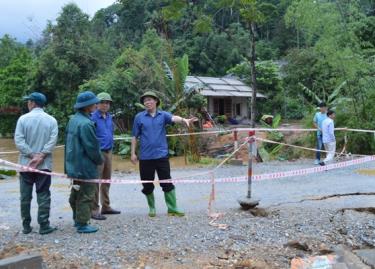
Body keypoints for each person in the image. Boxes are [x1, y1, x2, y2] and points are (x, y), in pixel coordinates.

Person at [131, 91, 197, 217]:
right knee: (147, 184)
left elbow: (173, 118)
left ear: (156, 101)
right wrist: (133, 153)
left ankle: (172, 208)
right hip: (145, 157)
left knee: (166, 182)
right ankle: (152, 208)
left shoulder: (163, 115)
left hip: (161, 155)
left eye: (150, 100)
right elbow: (134, 136)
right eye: (145, 100)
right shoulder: (139, 117)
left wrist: (184, 120)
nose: (147, 102)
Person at [14, 92, 58, 235]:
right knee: (44, 194)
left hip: (26, 164)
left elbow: (19, 141)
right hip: (44, 165)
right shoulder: (52, 120)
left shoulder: (22, 119)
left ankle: (26, 226)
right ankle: (44, 226)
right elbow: (53, 141)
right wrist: (41, 155)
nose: (27, 104)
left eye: (28, 101)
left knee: (25, 196)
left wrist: (32, 155)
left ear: (32, 103)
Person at [65, 91, 103, 233]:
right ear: (88, 106)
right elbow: (92, 148)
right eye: (94, 103)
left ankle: (76, 219)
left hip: (73, 165)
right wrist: (99, 160)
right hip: (85, 167)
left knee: (76, 192)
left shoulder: (73, 120)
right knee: (87, 195)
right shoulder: (86, 124)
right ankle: (82, 224)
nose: (96, 105)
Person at [91, 92, 120, 221]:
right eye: (102, 102)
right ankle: (94, 209)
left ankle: (106, 206)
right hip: (98, 152)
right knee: (95, 182)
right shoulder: (92, 118)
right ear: (96, 104)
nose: (105, 105)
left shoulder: (109, 117)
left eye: (107, 102)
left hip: (109, 151)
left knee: (107, 180)